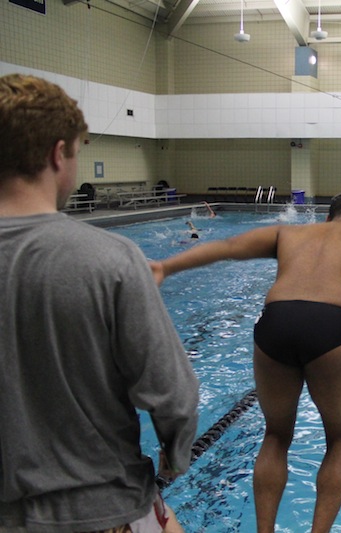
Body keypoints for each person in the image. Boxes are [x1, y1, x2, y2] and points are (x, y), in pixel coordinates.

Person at [149, 192, 341, 533]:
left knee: (275, 436)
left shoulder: (291, 233)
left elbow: (229, 246)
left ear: (327, 218)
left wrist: (167, 266)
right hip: (331, 323)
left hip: (275, 321)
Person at [0, 74, 199, 533]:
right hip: (102, 509)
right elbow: (173, 394)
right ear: (57, 155)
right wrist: (174, 457)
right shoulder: (109, 259)